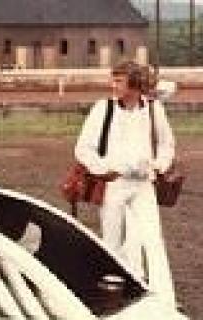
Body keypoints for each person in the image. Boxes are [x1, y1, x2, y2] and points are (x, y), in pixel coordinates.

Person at [74, 61, 175, 280]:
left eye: (119, 81)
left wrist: (159, 166)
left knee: (151, 238)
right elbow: (83, 148)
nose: (113, 85)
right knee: (112, 238)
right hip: (114, 184)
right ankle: (114, 284)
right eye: (113, 80)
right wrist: (103, 170)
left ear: (135, 84)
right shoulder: (103, 109)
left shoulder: (154, 109)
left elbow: (166, 144)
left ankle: (157, 287)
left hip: (143, 184)